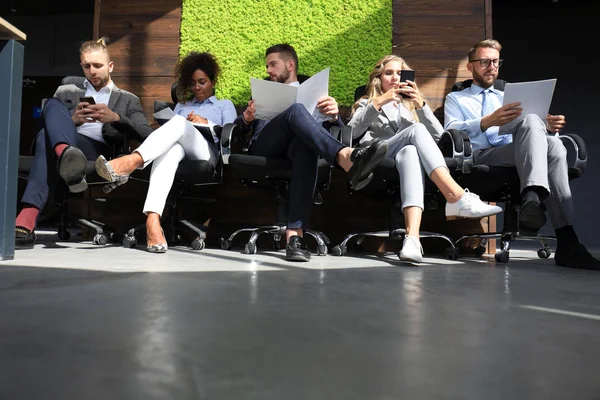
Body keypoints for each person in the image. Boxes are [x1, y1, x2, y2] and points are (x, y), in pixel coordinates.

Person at [444, 39, 600, 270]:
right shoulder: (457, 98)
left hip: (520, 152)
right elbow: (451, 130)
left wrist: (548, 128)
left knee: (554, 144)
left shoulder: (509, 95)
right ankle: (567, 240)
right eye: (485, 61)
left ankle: (533, 199)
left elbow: (534, 137)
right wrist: (487, 122)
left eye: (496, 62)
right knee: (549, 144)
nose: (491, 67)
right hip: (483, 155)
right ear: (471, 66)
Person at [237, 43, 389, 262]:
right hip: (266, 147)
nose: (268, 70)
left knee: (304, 145)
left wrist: (334, 117)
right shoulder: (262, 91)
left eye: (273, 64)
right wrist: (246, 118)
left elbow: (334, 130)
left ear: (290, 65)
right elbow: (238, 128)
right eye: (267, 65)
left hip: (297, 149)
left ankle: (294, 237)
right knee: (296, 110)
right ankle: (345, 157)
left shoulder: (316, 92)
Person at [349, 55, 502, 263]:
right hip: (377, 158)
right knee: (416, 129)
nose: (395, 78)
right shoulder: (367, 103)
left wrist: (421, 105)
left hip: (403, 158)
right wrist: (378, 103)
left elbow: (441, 138)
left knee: (410, 152)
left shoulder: (409, 106)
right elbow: (351, 133)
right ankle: (455, 196)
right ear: (378, 78)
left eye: (400, 73)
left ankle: (412, 239)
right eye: (389, 73)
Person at [14, 37, 152, 250]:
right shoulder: (67, 90)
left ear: (110, 66)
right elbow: (49, 124)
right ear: (81, 66)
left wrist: (115, 117)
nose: (92, 71)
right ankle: (66, 154)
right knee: (51, 105)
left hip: (97, 150)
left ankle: (27, 216)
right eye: (87, 66)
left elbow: (146, 132)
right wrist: (73, 120)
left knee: (45, 138)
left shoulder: (127, 99)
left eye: (98, 65)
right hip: (70, 140)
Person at [95, 52, 236, 253]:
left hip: (206, 152)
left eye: (202, 82)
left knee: (179, 122)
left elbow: (228, 134)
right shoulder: (182, 106)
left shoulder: (224, 105)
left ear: (213, 82)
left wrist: (206, 123)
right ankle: (153, 220)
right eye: (193, 83)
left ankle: (132, 161)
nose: (197, 87)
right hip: (179, 150)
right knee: (170, 150)